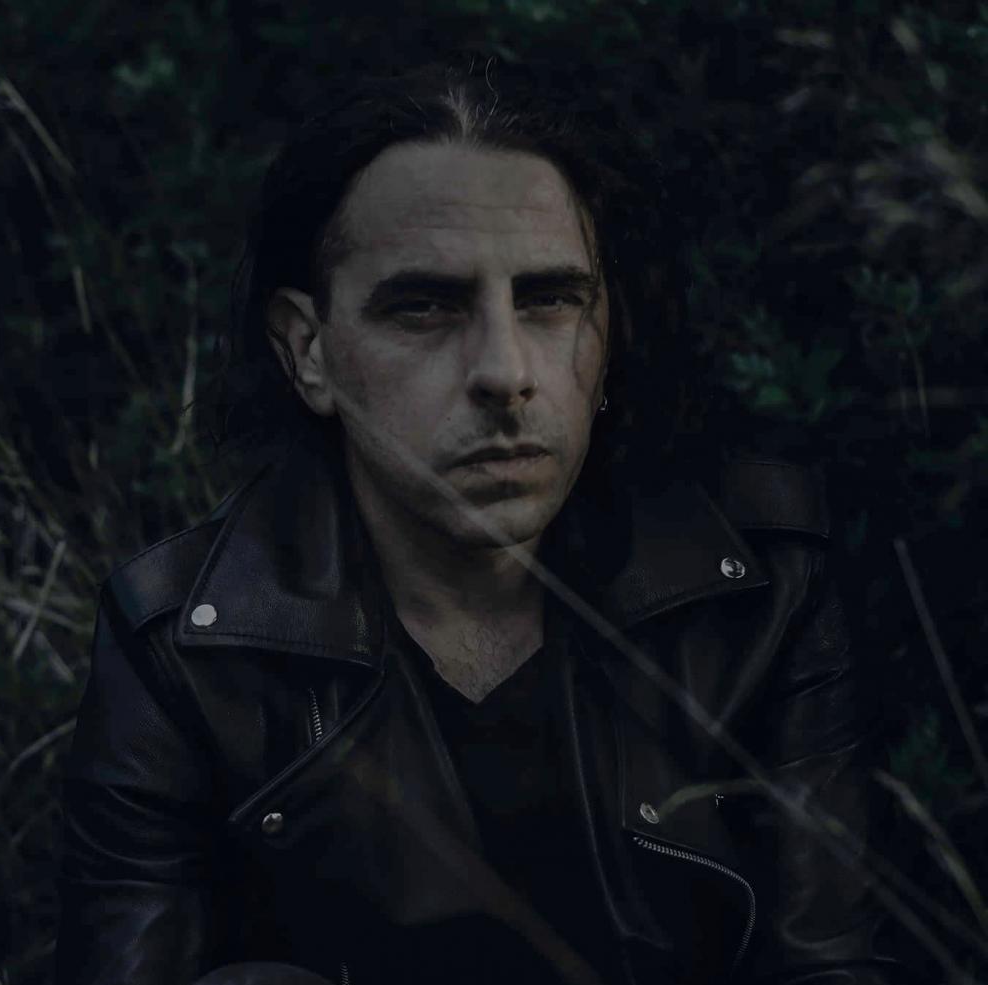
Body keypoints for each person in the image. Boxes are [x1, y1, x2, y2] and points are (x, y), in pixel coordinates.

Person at [55, 54, 904, 985]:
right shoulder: (185, 648)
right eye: (424, 306)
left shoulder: (757, 588)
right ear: (308, 351)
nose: (506, 371)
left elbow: (828, 964)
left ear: (609, 329)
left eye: (550, 299)